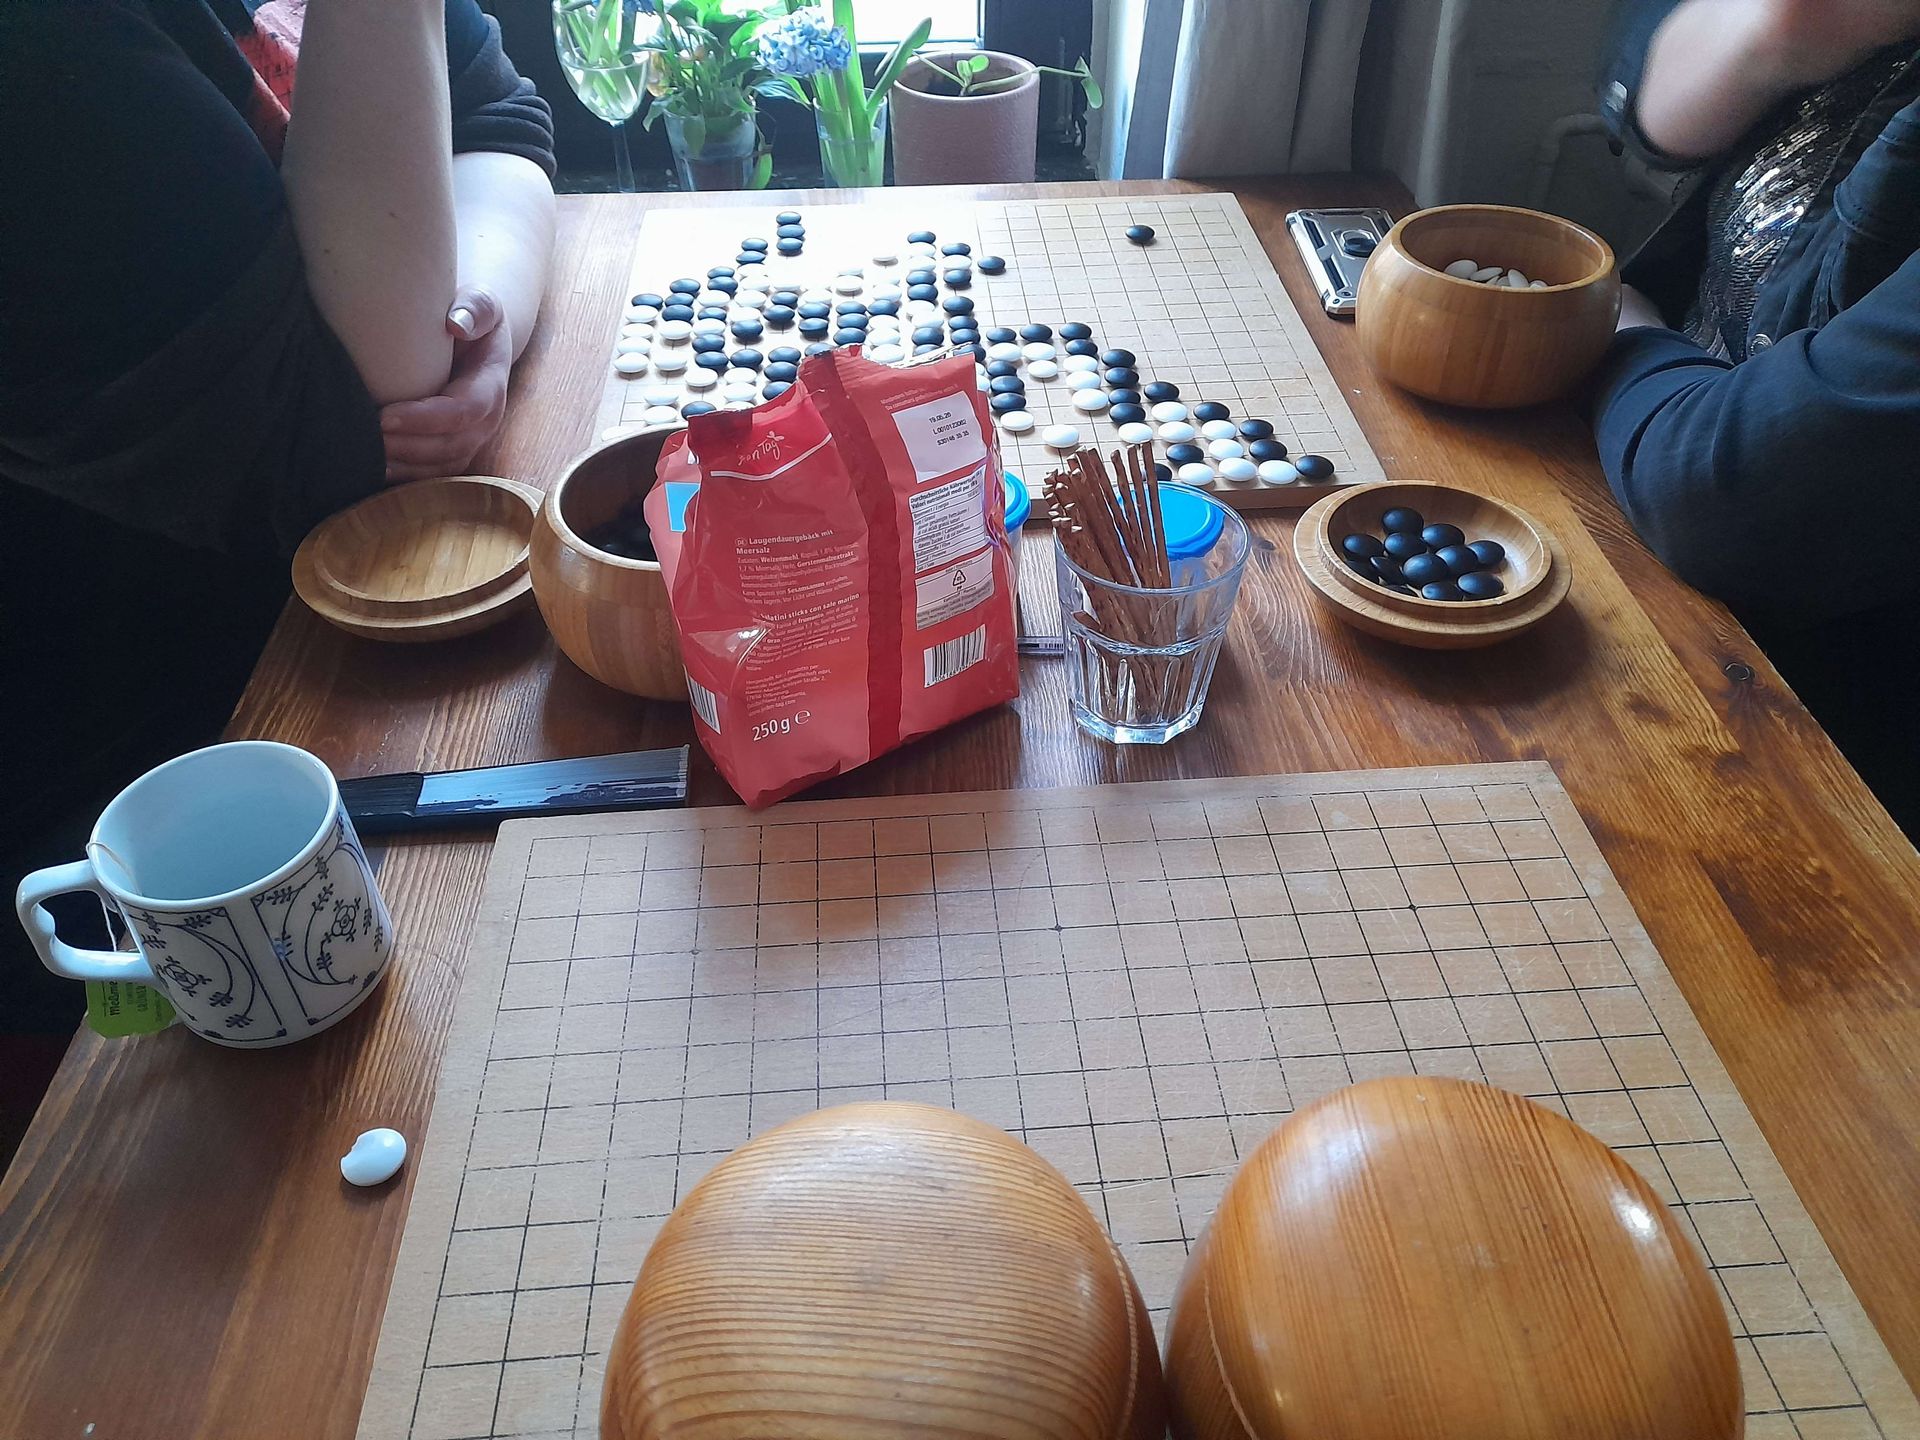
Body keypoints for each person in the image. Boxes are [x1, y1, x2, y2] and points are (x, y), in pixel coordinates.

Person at [0, 0, 557, 1152]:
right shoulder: (42, 60)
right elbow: (363, 391)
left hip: (337, 673)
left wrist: (480, 324)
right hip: (137, 855)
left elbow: (498, 109)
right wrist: (428, 354)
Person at [1589, 0, 1920, 840]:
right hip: (1651, 466)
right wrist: (1784, 29)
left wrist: (1619, 326)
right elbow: (1642, 110)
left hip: (1835, 716)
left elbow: (1729, 497)